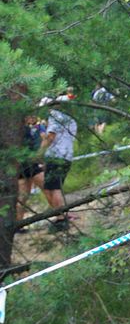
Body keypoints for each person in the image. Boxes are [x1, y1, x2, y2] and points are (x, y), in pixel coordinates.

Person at [37, 95, 78, 231]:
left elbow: (50, 137)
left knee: (53, 188)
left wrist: (39, 154)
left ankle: (61, 218)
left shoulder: (55, 116)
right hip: (66, 155)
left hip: (56, 156)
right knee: (53, 187)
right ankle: (61, 215)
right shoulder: (70, 119)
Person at [17, 114, 46, 226]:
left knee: (23, 196)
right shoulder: (23, 130)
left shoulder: (25, 129)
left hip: (24, 164)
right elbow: (31, 147)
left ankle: (18, 223)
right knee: (48, 187)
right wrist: (39, 160)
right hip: (28, 164)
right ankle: (61, 215)